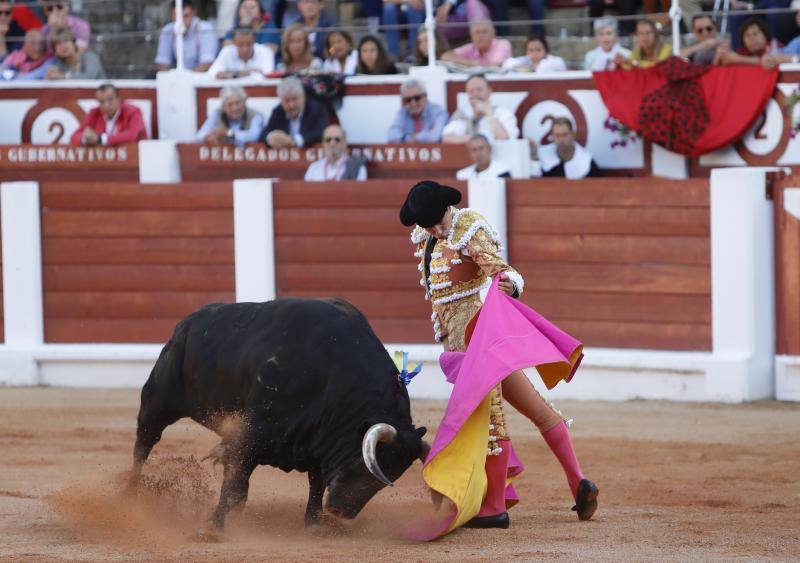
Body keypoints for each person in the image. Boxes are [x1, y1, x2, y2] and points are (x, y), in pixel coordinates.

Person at [400, 180, 598, 532]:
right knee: (537, 410)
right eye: (428, 224)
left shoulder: (468, 227)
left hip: (479, 339)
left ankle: (493, 508)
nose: (435, 229)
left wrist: (511, 284)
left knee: (491, 419)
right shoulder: (426, 236)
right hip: (462, 345)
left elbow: (501, 270)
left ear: (449, 207)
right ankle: (578, 481)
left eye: (438, 221)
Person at [442, 74, 519, 143]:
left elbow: (506, 140)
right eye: (471, 91)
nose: (475, 94)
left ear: (489, 91)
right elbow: (447, 138)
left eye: (479, 90)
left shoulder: (503, 113)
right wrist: (477, 140)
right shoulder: (463, 114)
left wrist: (488, 113)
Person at [261, 75, 331, 148]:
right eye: (287, 100)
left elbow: (323, 132)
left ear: (303, 97)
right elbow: (264, 133)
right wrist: (271, 137)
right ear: (281, 101)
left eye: (294, 99)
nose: (292, 105)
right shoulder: (278, 111)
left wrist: (294, 140)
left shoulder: (317, 109)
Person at [70, 83, 148, 147]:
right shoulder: (95, 113)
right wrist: (86, 138)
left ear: (118, 99)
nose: (106, 105)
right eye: (102, 101)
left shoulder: (133, 112)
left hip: (137, 161)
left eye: (110, 100)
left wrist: (100, 139)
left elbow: (132, 136)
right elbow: (74, 137)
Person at [154, 0, 218, 72]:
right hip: (177, 78)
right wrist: (173, 77)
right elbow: (161, 63)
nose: (181, 21)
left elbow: (207, 64)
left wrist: (185, 78)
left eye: (186, 16)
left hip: (200, 79)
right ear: (172, 16)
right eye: (177, 17)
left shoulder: (205, 28)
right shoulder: (168, 30)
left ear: (194, 13)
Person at [530, 117, 600, 179]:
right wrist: (533, 157)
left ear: (573, 135)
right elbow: (534, 183)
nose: (561, 140)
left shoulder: (586, 161)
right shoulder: (542, 154)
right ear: (552, 137)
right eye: (557, 135)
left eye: (564, 135)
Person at [196, 86, 265, 146]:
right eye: (230, 104)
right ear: (223, 106)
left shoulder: (255, 116)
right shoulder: (217, 113)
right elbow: (200, 134)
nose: (235, 108)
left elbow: (254, 136)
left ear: (244, 102)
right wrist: (208, 138)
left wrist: (228, 133)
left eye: (238, 103)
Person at [387, 78, 448, 143]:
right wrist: (411, 137)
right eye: (408, 100)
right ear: (403, 101)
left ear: (425, 97)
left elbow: (435, 137)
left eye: (417, 98)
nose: (413, 103)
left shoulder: (438, 112)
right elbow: (391, 136)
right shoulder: (403, 112)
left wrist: (411, 138)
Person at [441, 18, 511, 69]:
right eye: (477, 32)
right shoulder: (472, 47)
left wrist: (470, 66)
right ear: (471, 37)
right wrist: (472, 63)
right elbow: (445, 56)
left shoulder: (502, 44)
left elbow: (494, 67)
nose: (481, 36)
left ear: (493, 33)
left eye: (485, 31)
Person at [207, 27, 275, 79]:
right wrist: (245, 73)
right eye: (240, 44)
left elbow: (267, 75)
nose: (245, 49)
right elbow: (213, 73)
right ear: (234, 43)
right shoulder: (227, 51)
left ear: (254, 41)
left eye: (248, 44)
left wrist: (232, 74)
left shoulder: (266, 52)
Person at [502, 35, 567, 73]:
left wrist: (528, 69)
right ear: (526, 52)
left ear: (546, 50)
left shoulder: (555, 61)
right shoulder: (525, 60)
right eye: (531, 50)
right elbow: (507, 64)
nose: (534, 53)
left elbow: (541, 70)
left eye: (538, 50)